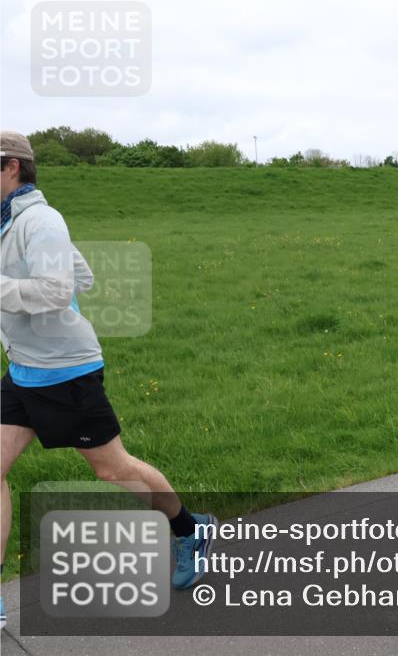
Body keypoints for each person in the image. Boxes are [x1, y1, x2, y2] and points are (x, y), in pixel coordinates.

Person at [0, 131, 216, 628]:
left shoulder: (41, 220)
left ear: (12, 167)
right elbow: (82, 276)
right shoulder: (11, 220)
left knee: (112, 470)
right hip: (22, 369)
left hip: (65, 372)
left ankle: (190, 531)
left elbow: (56, 290)